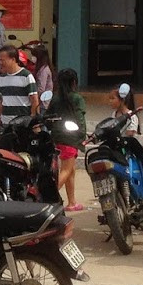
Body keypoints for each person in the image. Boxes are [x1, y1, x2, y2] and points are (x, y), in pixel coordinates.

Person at [52, 67, 87, 212]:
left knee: (71, 170)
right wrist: (82, 136)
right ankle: (49, 197)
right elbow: (80, 118)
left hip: (57, 137)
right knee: (66, 170)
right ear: (74, 82)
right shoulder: (76, 98)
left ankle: (72, 202)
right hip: (71, 138)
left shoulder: (55, 98)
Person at [0, 44, 39, 127]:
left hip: (22, 125)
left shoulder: (26, 76)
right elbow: (3, 100)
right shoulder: (2, 78)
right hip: (6, 125)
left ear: (13, 59)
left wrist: (33, 120)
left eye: (2, 60)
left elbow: (34, 100)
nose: (0, 63)